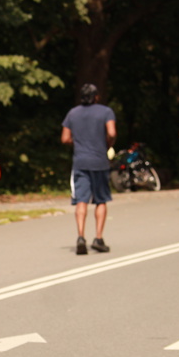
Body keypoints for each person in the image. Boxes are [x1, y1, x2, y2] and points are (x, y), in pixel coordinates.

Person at [61, 83, 116, 254]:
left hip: (80, 162)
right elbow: (112, 133)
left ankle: (81, 237)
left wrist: (77, 142)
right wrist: (108, 143)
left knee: (81, 200)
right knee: (101, 200)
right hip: (100, 161)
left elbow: (65, 138)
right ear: (96, 96)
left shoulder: (73, 113)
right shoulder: (106, 112)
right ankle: (98, 238)